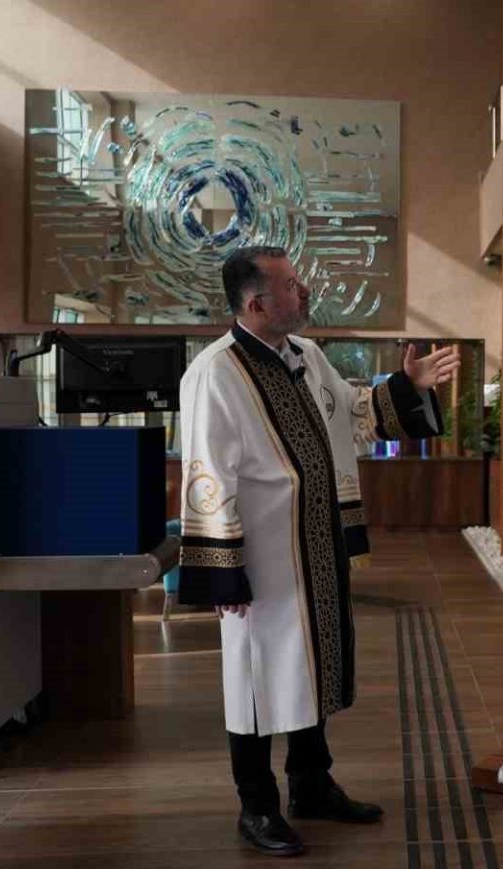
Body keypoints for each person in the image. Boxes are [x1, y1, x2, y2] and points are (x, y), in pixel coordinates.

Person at [178, 246, 460, 857]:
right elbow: (207, 471)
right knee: (255, 679)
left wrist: (405, 387)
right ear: (257, 303)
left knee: (313, 667)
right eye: (290, 285)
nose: (303, 291)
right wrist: (222, 570)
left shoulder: (306, 355)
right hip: (261, 557)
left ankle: (311, 783)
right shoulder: (214, 372)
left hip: (317, 544)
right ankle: (256, 806)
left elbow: (353, 413)